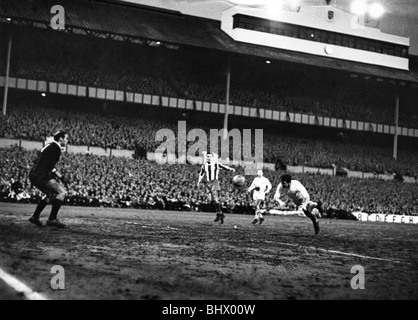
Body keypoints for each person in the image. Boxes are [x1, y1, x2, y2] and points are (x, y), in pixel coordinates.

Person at [28, 130, 69, 228]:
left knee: (51, 194)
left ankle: (35, 217)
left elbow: (40, 161)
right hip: (41, 175)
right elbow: (50, 166)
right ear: (61, 139)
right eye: (66, 139)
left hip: (34, 174)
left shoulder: (49, 146)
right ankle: (52, 219)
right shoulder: (56, 148)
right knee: (62, 192)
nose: (67, 141)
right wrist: (61, 177)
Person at [197, 152, 235, 224]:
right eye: (207, 156)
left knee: (215, 198)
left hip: (215, 182)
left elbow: (224, 167)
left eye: (210, 157)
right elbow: (201, 174)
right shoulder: (204, 166)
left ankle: (218, 214)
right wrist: (198, 181)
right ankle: (221, 214)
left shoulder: (216, 164)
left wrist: (230, 169)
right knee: (211, 200)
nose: (208, 158)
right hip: (209, 183)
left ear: (212, 158)